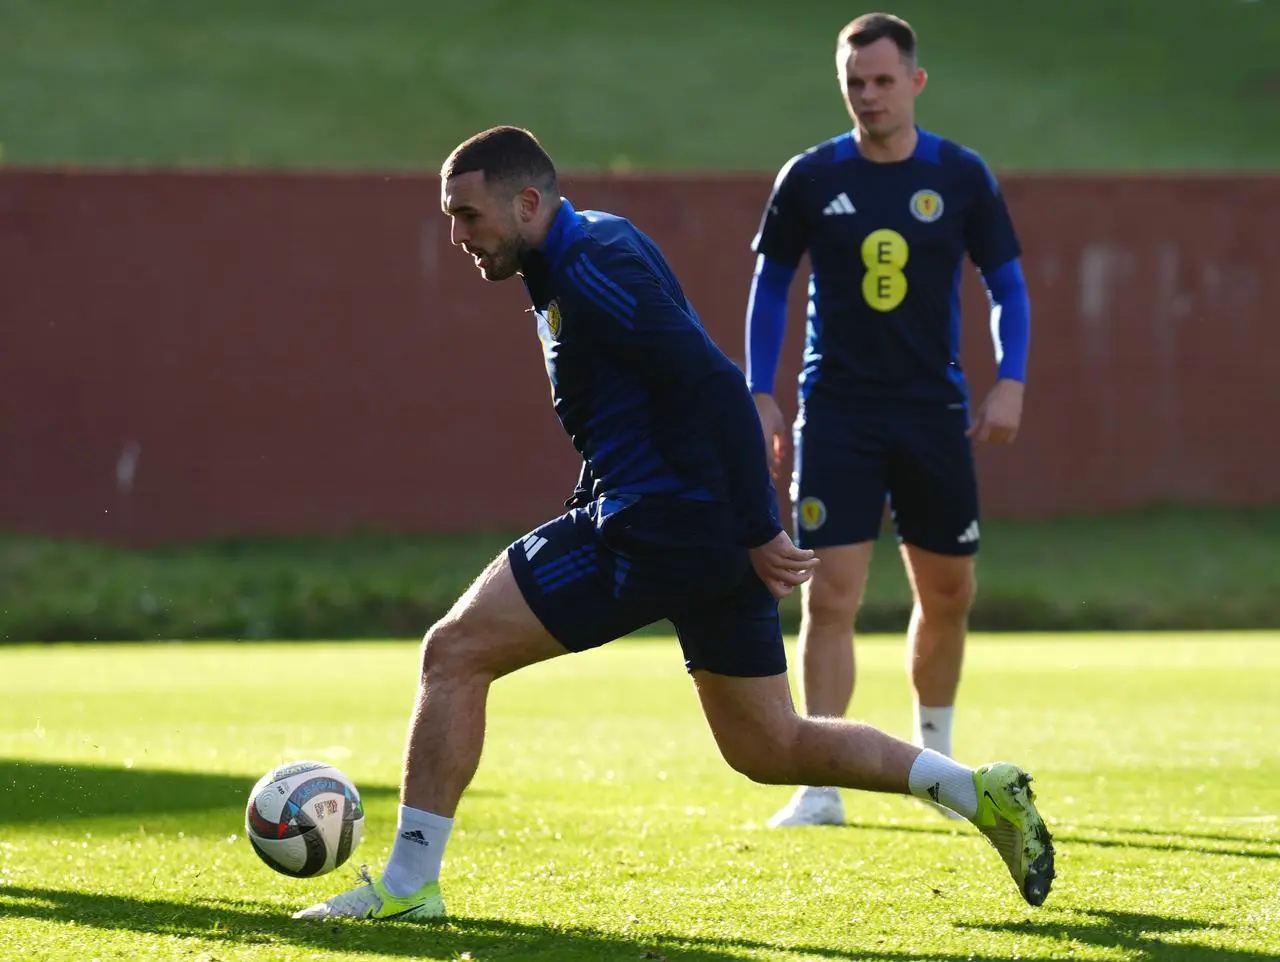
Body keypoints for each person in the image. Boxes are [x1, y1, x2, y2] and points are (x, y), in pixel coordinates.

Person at [293, 125, 1053, 922]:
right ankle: (977, 792)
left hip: (659, 525)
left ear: (526, 202)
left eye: (469, 217)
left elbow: (718, 387)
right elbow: (638, 395)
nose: (458, 237)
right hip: (691, 525)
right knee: (770, 746)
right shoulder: (589, 245)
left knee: (453, 652)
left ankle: (410, 887)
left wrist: (760, 527)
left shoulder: (593, 269)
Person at [744, 13, 1033, 829]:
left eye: (881, 81)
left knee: (948, 592)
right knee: (829, 596)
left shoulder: (962, 175)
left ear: (914, 81)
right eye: (853, 84)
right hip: (835, 411)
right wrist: (760, 389)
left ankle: (936, 765)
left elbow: (1006, 286)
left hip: (933, 413)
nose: (868, 97)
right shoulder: (808, 176)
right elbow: (770, 287)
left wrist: (1010, 380)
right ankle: (821, 782)